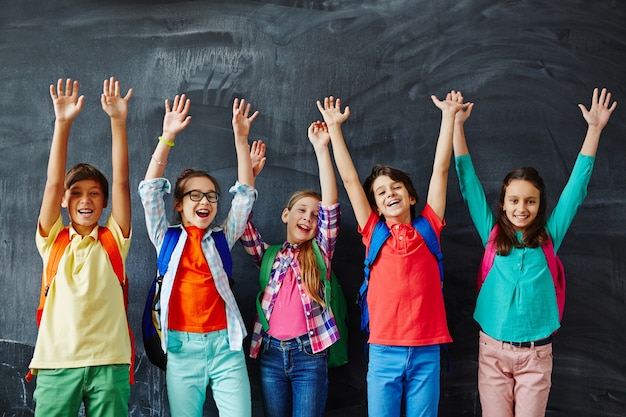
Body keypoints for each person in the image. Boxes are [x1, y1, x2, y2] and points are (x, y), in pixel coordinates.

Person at [452, 88, 617, 417]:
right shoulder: (492, 234)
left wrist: (594, 130)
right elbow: (468, 184)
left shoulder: (549, 238)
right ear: (503, 203)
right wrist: (456, 126)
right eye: (514, 200)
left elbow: (576, 189)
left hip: (536, 355)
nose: (521, 208)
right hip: (493, 353)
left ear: (540, 205)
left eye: (530, 201)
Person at [317, 93, 467, 417]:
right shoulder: (374, 232)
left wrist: (449, 117)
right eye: (381, 193)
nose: (390, 194)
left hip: (427, 350)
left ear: (412, 196)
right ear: (376, 207)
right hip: (384, 351)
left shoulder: (429, 227)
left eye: (396, 187)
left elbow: (440, 170)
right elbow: (350, 180)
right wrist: (334, 130)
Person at [138, 94, 260, 417]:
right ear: (178, 203)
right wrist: (167, 138)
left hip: (226, 348)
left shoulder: (222, 237)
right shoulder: (166, 238)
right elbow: (149, 190)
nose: (204, 201)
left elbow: (245, 197)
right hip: (181, 349)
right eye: (195, 195)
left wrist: (241, 139)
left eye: (211, 195)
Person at [30, 77, 133, 417]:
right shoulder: (53, 240)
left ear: (104, 202)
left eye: (94, 193)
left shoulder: (114, 239)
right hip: (56, 363)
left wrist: (118, 122)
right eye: (75, 193)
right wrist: (62, 123)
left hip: (110, 362)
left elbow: (121, 180)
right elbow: (52, 182)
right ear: (63, 200)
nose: (85, 199)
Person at [240, 121, 341, 417]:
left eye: (314, 214)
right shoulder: (270, 256)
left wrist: (322, 149)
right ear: (286, 215)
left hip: (309, 354)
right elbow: (243, 226)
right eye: (301, 210)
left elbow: (331, 208)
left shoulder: (320, 253)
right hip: (270, 353)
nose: (308, 218)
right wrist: (251, 177)